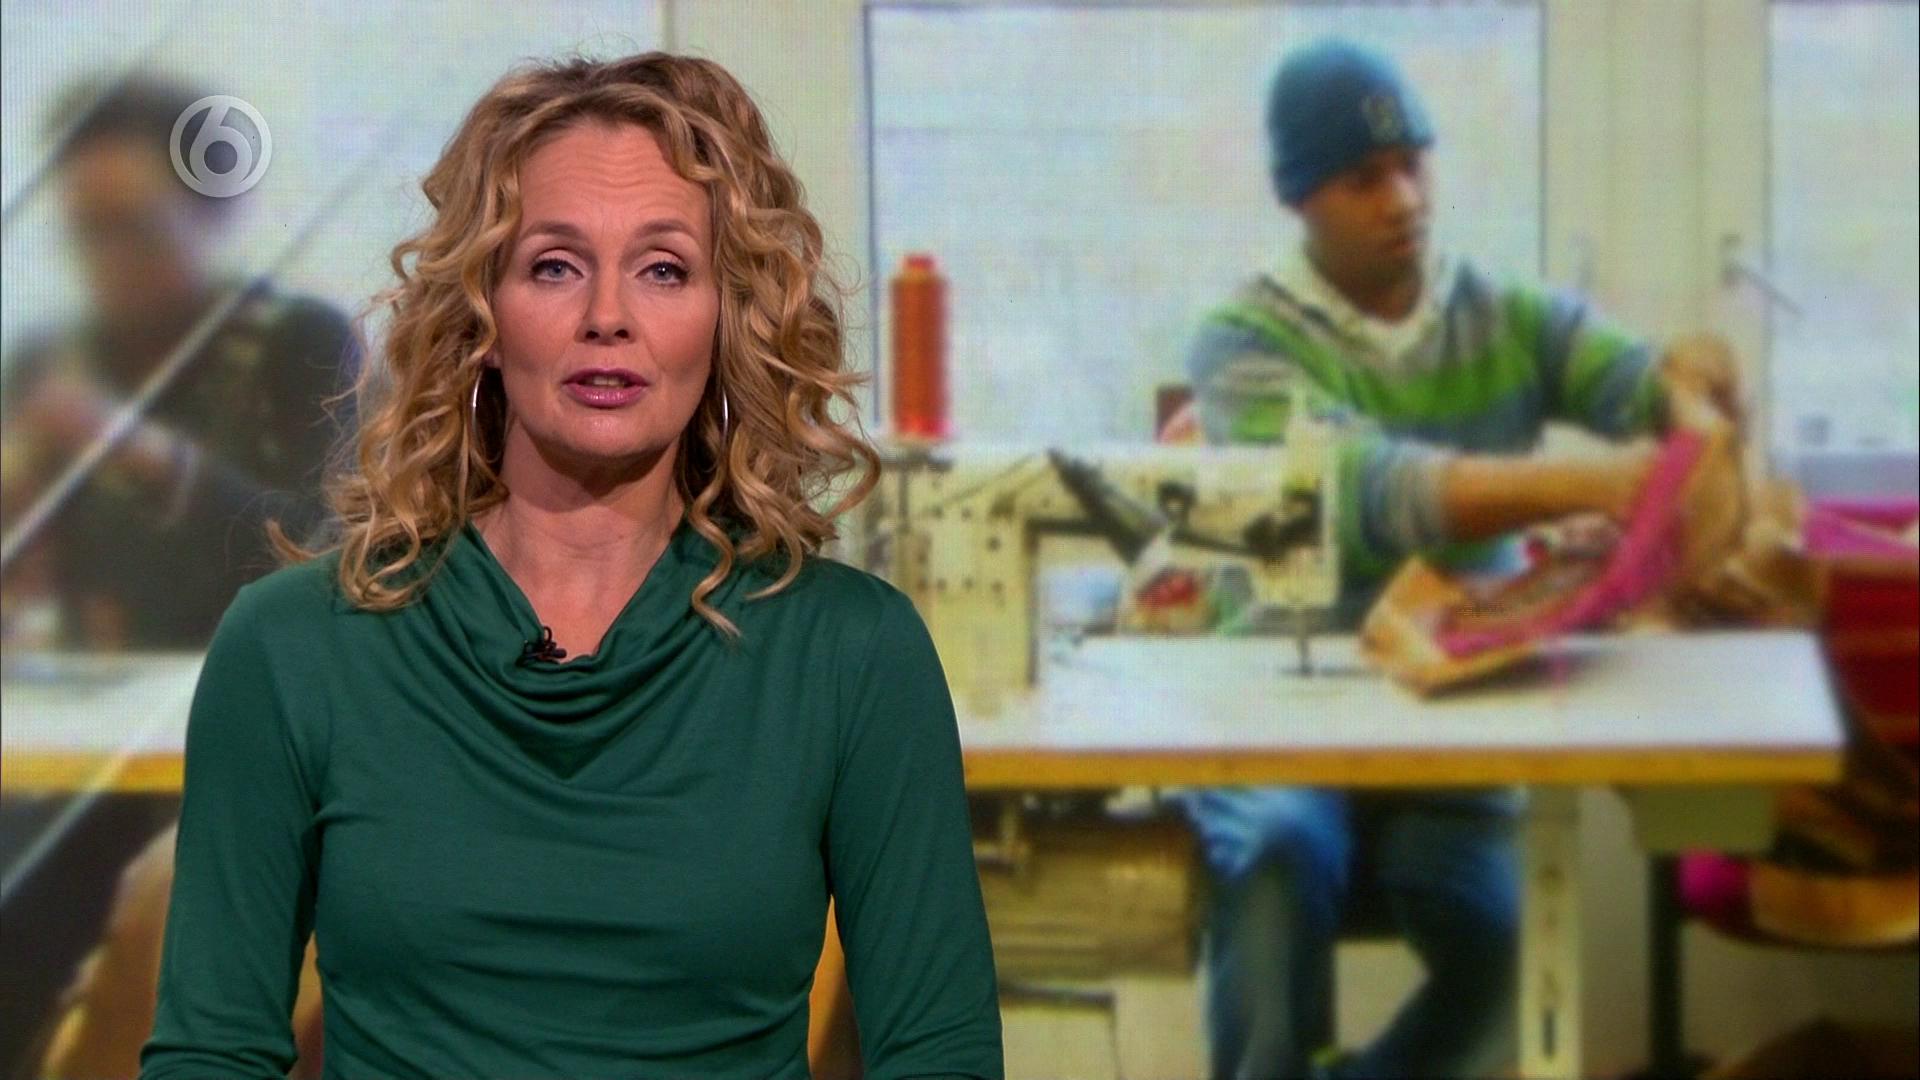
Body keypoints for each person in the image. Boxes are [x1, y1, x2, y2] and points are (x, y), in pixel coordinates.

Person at [135, 52, 1003, 1079]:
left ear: (727, 314)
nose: (607, 315)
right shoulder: (294, 648)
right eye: (554, 265)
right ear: (482, 315)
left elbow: (938, 1055)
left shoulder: (853, 655)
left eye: (664, 268)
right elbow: (210, 1054)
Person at [1176, 40, 1742, 1079]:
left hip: (1452, 705)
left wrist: (1693, 399)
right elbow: (1367, 488)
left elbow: (1634, 379)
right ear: (1298, 197)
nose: (1403, 199)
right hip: (1279, 701)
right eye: (1363, 178)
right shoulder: (1238, 340)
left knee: (1519, 960)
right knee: (1272, 853)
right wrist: (1588, 484)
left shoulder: (1501, 313)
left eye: (1413, 165)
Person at [0, 73, 360, 651]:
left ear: (209, 213)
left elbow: (331, 553)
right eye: (87, 232)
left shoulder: (297, 340)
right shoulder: (50, 363)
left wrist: (143, 452)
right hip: (96, 689)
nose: (108, 260)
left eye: (136, 227)